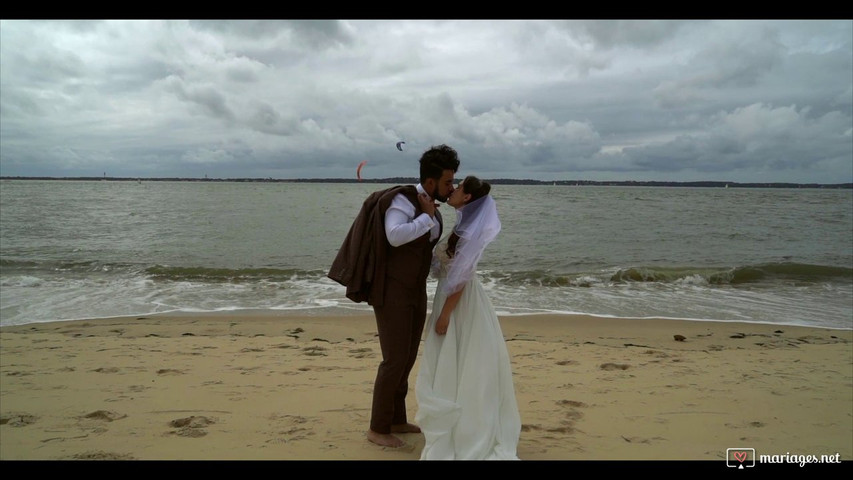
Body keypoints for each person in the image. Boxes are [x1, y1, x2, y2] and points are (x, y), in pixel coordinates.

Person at [354, 145, 459, 448]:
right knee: (394, 358)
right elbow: (395, 235)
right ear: (430, 182)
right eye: (447, 182)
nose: (451, 187)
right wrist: (426, 218)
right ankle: (377, 427)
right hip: (391, 291)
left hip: (415, 289)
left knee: (409, 356)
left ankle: (396, 418)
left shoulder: (430, 209)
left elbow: (423, 250)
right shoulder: (402, 200)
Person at [415, 176, 521, 460]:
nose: (453, 190)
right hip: (451, 296)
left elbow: (460, 279)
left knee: (463, 358)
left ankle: (466, 425)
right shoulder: (461, 226)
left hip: (458, 302)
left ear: (468, 198)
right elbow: (445, 268)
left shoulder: (467, 232)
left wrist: (446, 315)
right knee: (457, 359)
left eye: (459, 187)